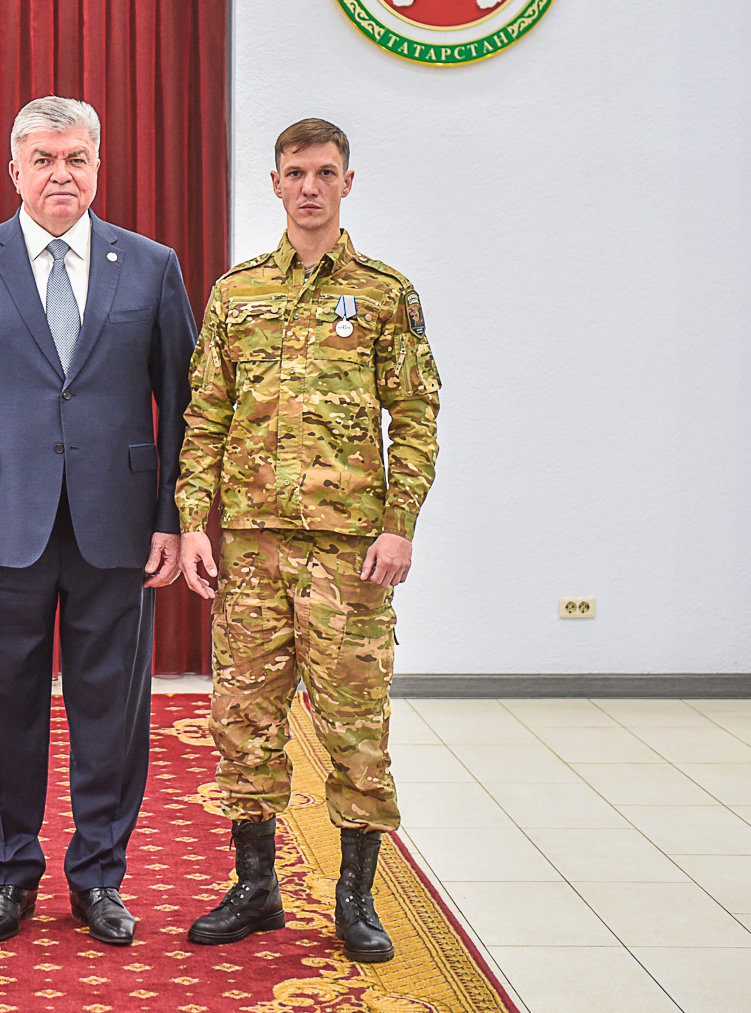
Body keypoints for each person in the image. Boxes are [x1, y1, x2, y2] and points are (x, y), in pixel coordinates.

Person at [0, 95, 197, 946]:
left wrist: (175, 518)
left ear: (99, 166)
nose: (60, 174)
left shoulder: (151, 266)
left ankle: (100, 877)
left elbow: (183, 404)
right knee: (2, 711)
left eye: (75, 158)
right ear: (15, 171)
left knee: (114, 713)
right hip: (0, 527)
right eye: (43, 159)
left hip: (120, 527)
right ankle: (9, 874)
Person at [175, 118, 440, 964]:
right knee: (243, 720)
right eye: (296, 173)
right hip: (251, 550)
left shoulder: (386, 293)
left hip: (348, 554)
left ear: (347, 182)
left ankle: (356, 900)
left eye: (325, 172)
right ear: (276, 183)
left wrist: (399, 524)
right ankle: (256, 889)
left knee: (355, 727)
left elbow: (417, 416)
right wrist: (191, 521)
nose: (311, 187)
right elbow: (205, 415)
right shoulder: (237, 293)